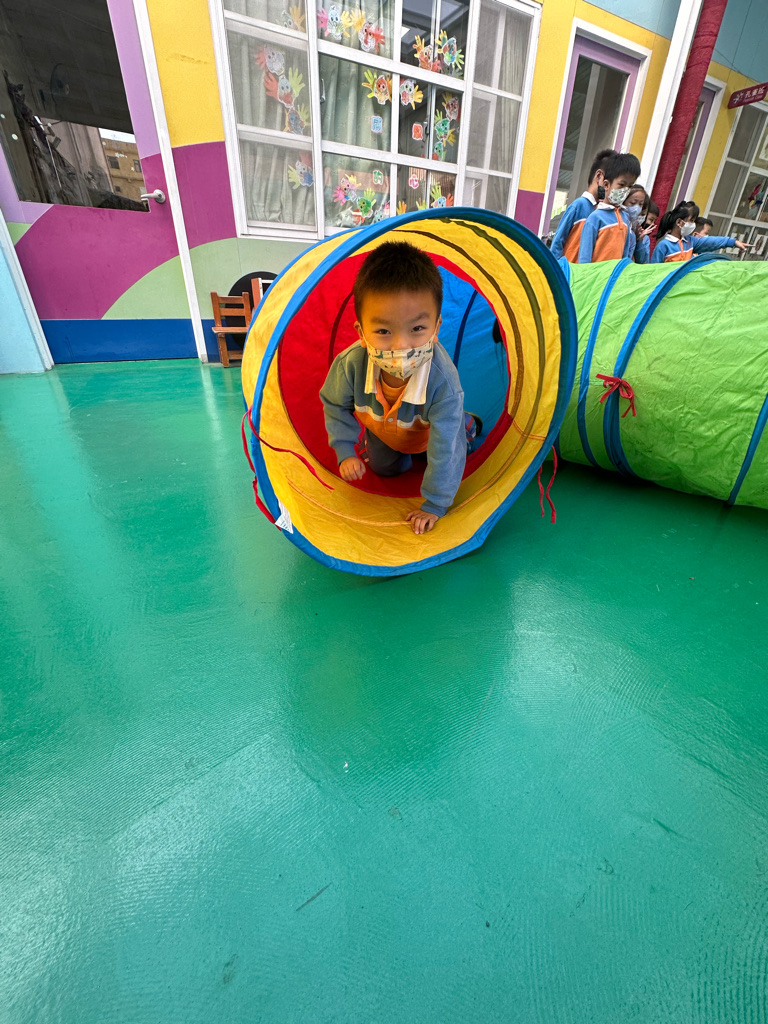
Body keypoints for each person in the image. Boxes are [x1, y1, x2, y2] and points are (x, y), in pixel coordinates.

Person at [320, 241, 477, 535]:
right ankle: (398, 450)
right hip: (387, 430)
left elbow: (446, 449)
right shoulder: (350, 365)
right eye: (383, 331)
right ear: (361, 333)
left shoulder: (443, 381)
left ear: (436, 328)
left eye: (417, 329)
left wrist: (436, 503)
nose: (401, 345)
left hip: (430, 433)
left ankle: (468, 424)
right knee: (386, 469)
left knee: (452, 445)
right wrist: (344, 449)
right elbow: (334, 402)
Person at [550, 148, 616, 261]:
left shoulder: (603, 213)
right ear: (599, 176)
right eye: (610, 182)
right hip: (569, 270)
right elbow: (557, 242)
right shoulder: (579, 206)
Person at [577, 152, 642, 263]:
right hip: (595, 274)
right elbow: (584, 257)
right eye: (622, 184)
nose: (625, 190)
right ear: (606, 185)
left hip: (615, 274)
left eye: (630, 186)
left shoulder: (625, 219)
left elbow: (625, 256)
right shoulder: (595, 218)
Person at [651, 202, 750, 262]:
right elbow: (653, 272)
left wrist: (732, 242)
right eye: (691, 221)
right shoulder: (663, 246)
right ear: (679, 222)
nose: (693, 224)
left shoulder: (690, 241)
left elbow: (711, 242)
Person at [634, 198, 659, 263]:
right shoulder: (630, 231)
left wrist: (640, 241)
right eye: (651, 220)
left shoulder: (646, 238)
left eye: (654, 221)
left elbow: (642, 261)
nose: (653, 224)